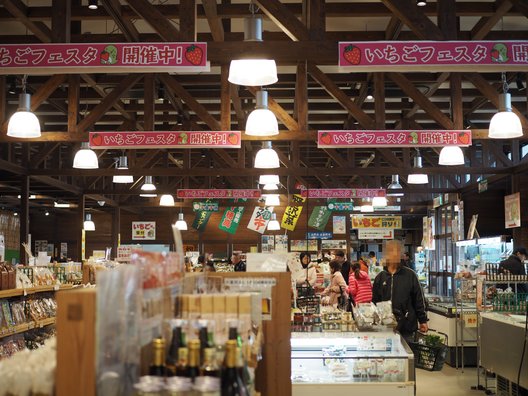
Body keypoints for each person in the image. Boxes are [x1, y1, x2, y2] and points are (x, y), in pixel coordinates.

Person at [372, 247, 428, 341]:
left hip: (407, 325)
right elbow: (375, 301)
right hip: (385, 326)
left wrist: (422, 320)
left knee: (408, 353)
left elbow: (418, 299)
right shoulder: (380, 277)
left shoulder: (410, 275)